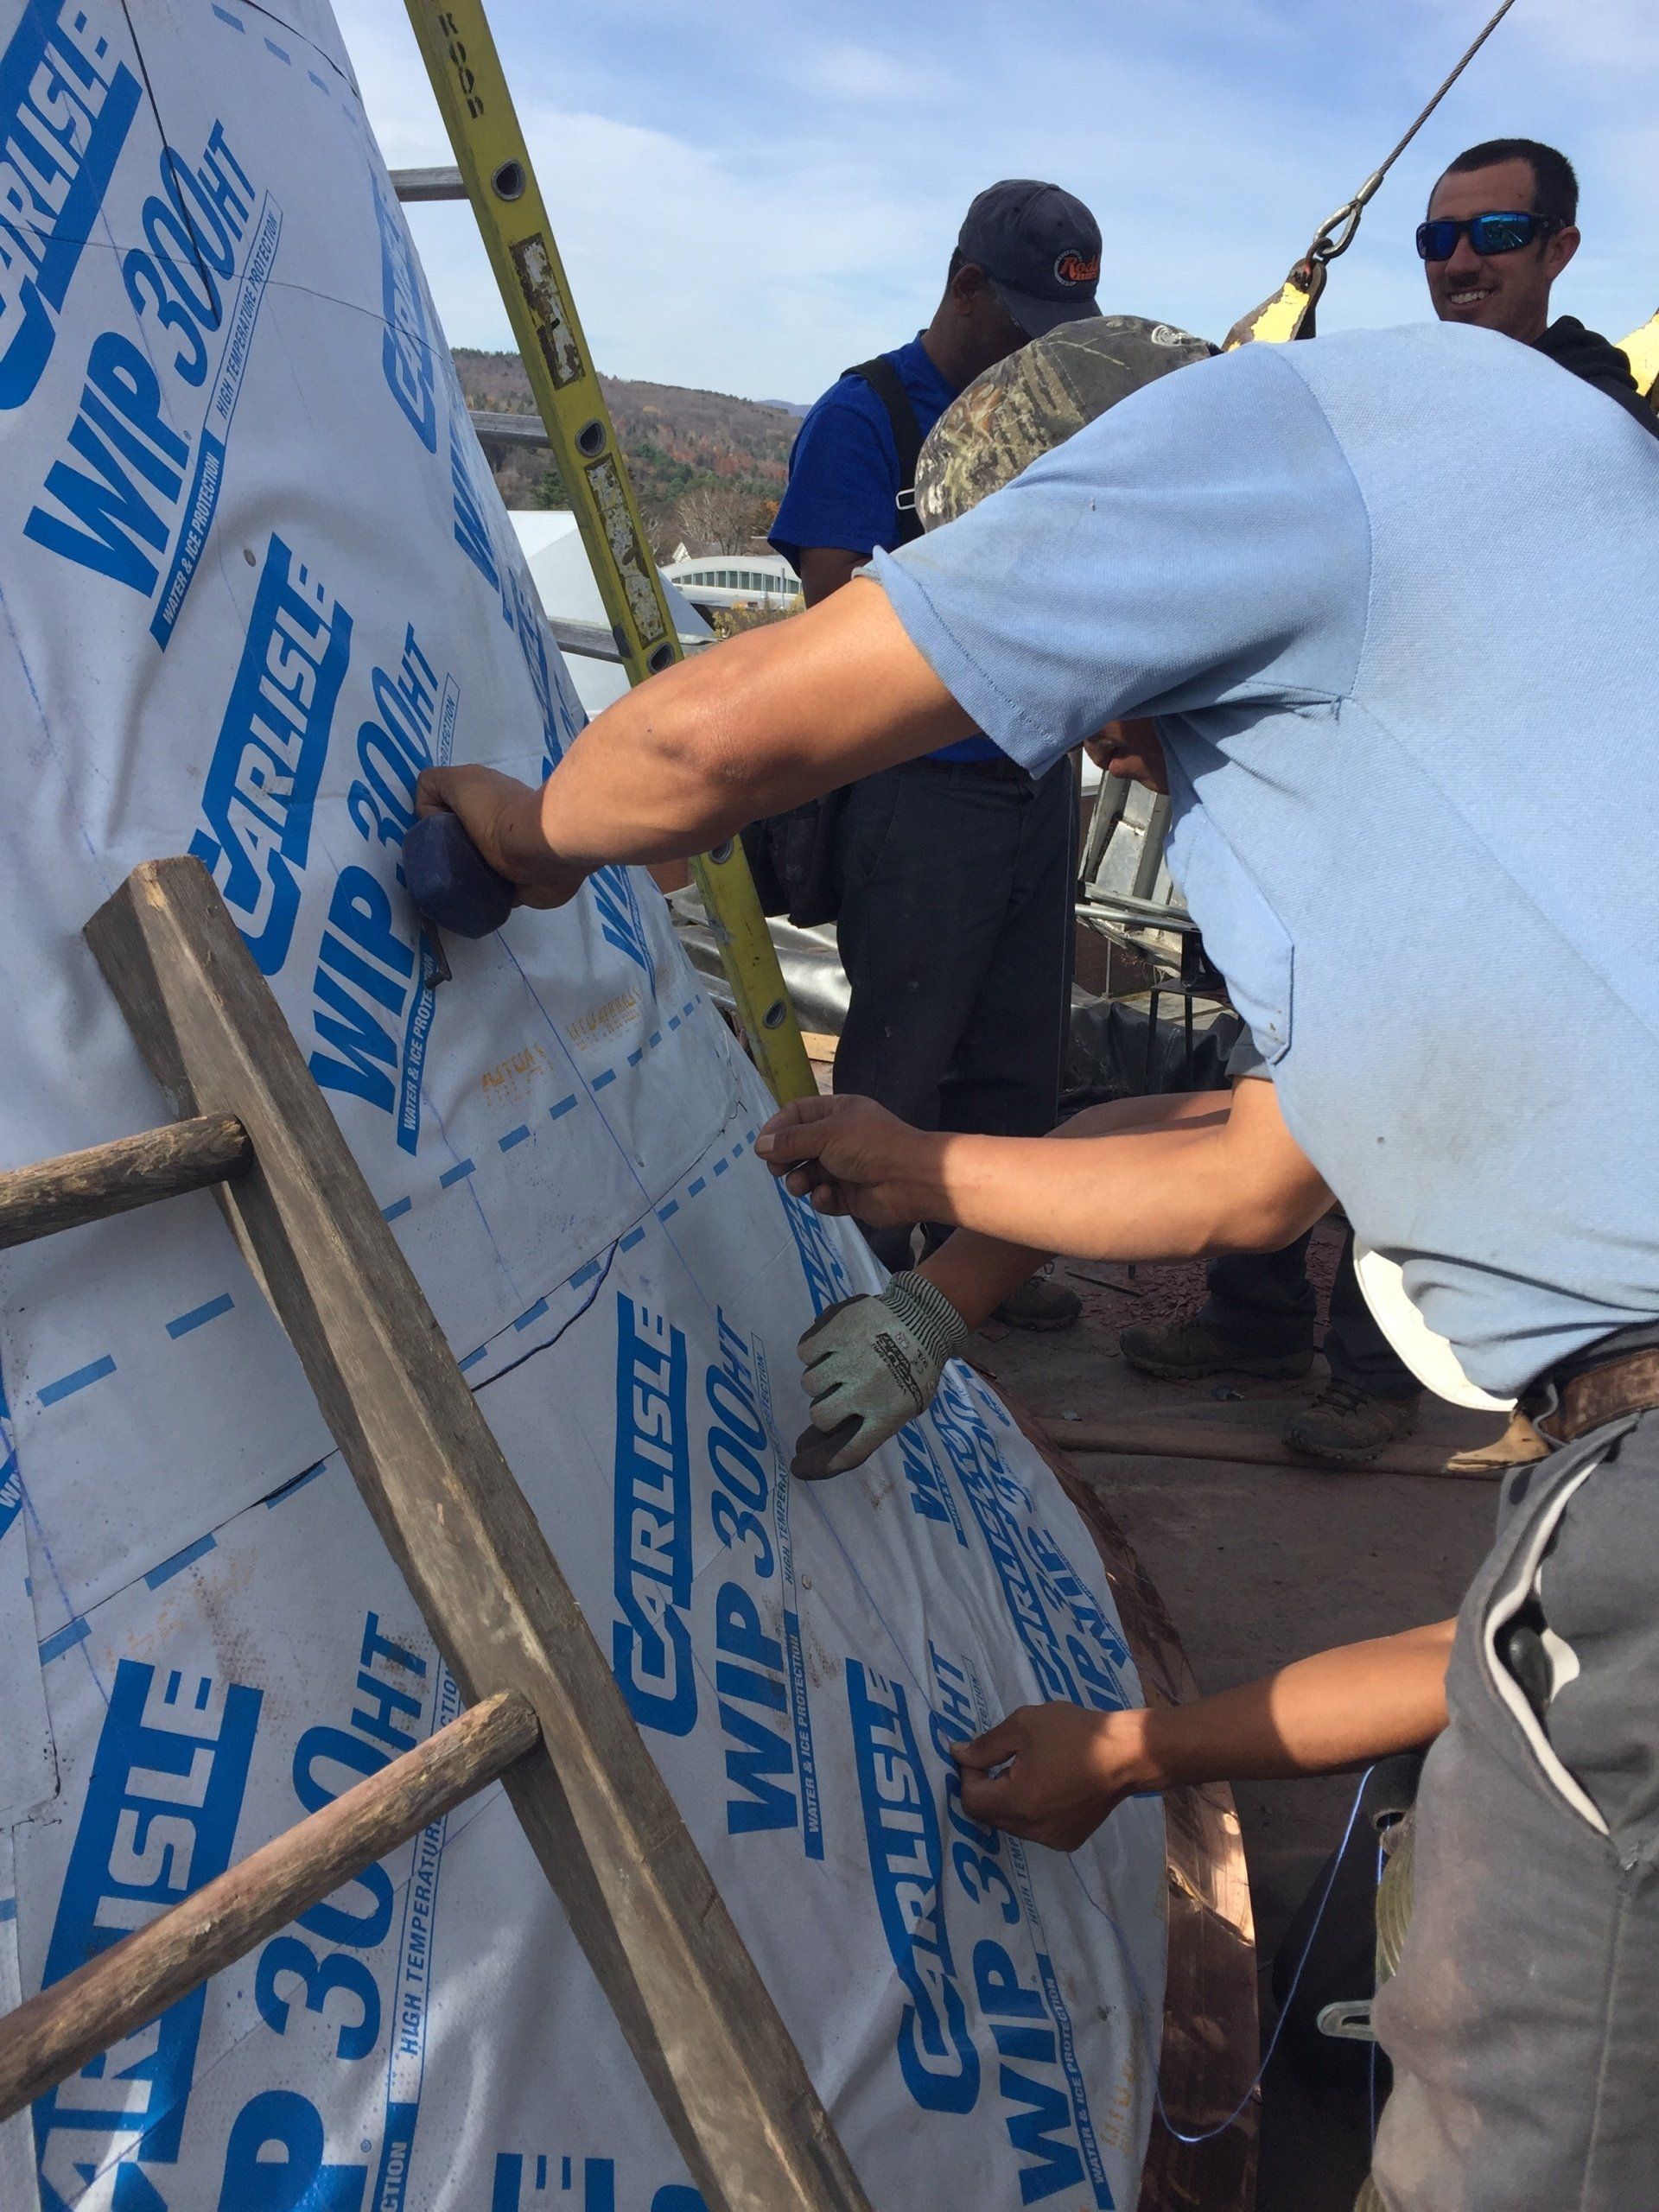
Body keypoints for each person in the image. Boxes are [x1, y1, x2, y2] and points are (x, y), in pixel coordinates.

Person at [418, 301, 1659, 2210]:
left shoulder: (1273, 436)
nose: (1137, 764)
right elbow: (1244, 1169)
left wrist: (523, 835)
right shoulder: (1525, 753)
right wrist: (931, 1247)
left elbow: (717, 731)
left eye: (1114, 703)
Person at [1118, 134, 1657, 1467]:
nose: (1462, 260)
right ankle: (1254, 1323)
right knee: (1279, 1056)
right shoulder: (1385, 397)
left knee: (1409, 1097)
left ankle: (1376, 1372)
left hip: (1482, 825)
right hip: (1339, 808)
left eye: (1496, 234)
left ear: (1560, 252)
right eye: (1437, 239)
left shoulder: (1599, 407)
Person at [766, 180, 1107, 1330]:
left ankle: (982, 1270)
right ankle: (858, 1284)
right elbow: (832, 621)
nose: (1030, 361)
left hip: (1034, 778)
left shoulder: (1048, 424)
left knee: (1019, 1050)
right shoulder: (868, 415)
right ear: (965, 287)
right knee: (903, 1050)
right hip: (920, 798)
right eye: (1019, 330)